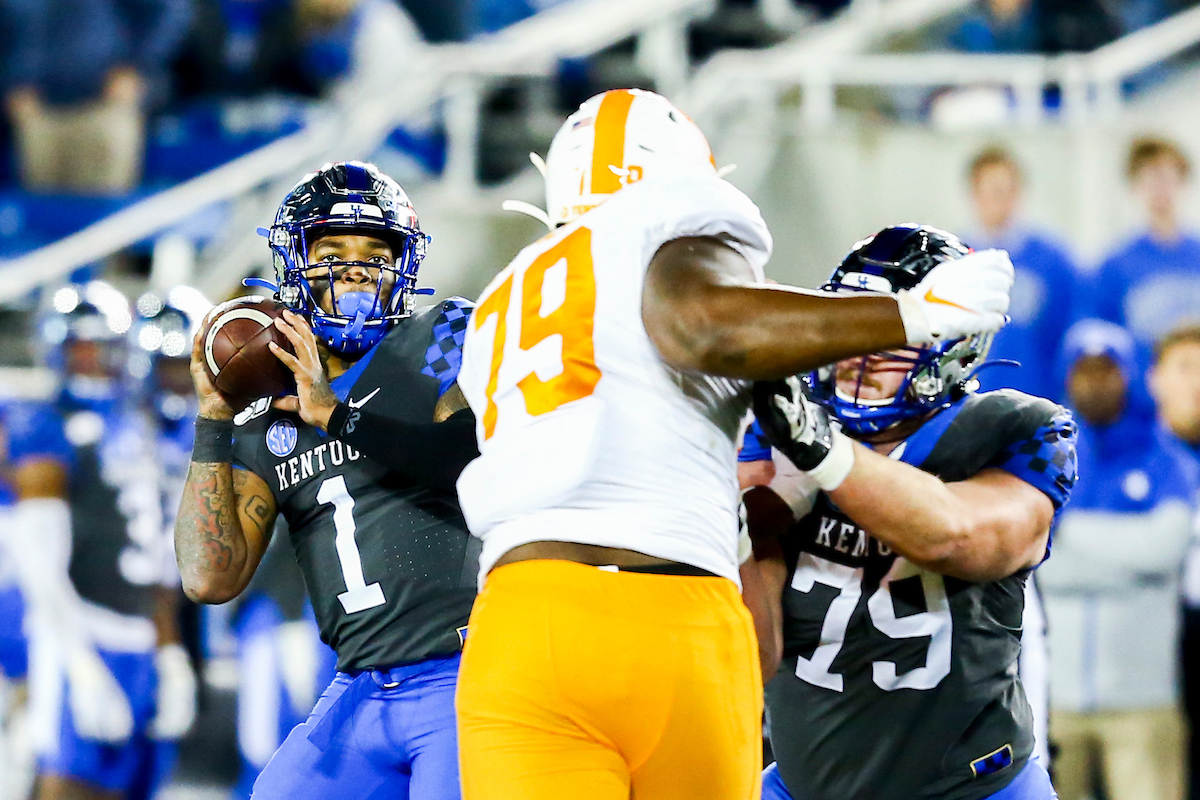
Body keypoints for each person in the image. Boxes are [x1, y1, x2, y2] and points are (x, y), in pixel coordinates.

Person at [453, 89, 1015, 800]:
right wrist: (910, 313)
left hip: (517, 619)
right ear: (682, 175)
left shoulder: (502, 299)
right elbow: (705, 328)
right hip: (666, 614)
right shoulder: (661, 227)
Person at [174, 160, 480, 799]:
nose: (355, 268)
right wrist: (214, 419)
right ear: (294, 264)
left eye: (375, 252)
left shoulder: (442, 337)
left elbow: (467, 461)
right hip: (359, 684)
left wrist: (336, 415)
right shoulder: (267, 419)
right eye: (332, 250)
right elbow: (209, 577)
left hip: (464, 672)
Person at [741, 224, 1077, 800]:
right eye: (850, 331)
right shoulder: (777, 437)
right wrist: (740, 527)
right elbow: (754, 655)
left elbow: (957, 535)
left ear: (953, 347)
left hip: (973, 790)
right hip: (803, 787)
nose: (859, 359)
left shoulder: (1012, 429)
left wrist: (820, 451)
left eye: (893, 340)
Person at [5, 280, 195, 800]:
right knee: (65, 784)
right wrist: (80, 665)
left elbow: (158, 558)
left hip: (141, 637)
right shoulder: (43, 423)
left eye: (100, 345)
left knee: (136, 786)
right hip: (78, 633)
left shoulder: (143, 425)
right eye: (78, 346)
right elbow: (39, 563)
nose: (91, 360)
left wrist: (170, 650)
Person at [1037, 319, 1193, 800]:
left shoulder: (1162, 458)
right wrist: (1125, 555)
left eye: (1108, 371)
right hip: (1057, 700)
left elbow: (1164, 550)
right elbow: (1037, 564)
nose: (1096, 383)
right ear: (1066, 377)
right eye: (1084, 371)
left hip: (1143, 700)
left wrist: (1069, 533)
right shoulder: (1047, 456)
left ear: (1129, 376)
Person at [2, 0, 191, 193]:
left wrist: (136, 67)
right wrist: (12, 84)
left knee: (104, 210)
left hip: (101, 108)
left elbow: (170, 11)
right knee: (42, 214)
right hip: (36, 116)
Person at [966, 146, 1080, 402]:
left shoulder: (1055, 260)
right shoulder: (955, 260)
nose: (1000, 200)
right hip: (970, 406)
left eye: (1007, 190)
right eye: (992, 191)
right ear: (975, 194)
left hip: (1036, 400)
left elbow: (1067, 333)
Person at [1147, 324, 1200, 800]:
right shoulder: (1125, 456)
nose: (1197, 383)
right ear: (1154, 379)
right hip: (1143, 645)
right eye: (1185, 368)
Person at [1093, 137, 1200, 355]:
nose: (1161, 190)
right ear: (1134, 186)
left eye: (1169, 179)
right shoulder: (1114, 265)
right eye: (1152, 180)